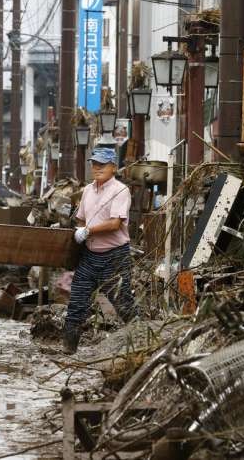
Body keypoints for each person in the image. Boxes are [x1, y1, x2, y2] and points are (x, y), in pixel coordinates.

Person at [63, 147, 139, 354]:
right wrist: (79, 230)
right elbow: (81, 219)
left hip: (115, 257)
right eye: (94, 164)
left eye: (102, 165)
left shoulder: (120, 190)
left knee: (124, 304)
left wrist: (88, 230)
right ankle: (68, 350)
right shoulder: (88, 190)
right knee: (77, 304)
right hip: (89, 256)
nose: (97, 168)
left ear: (113, 167)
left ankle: (143, 343)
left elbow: (115, 224)